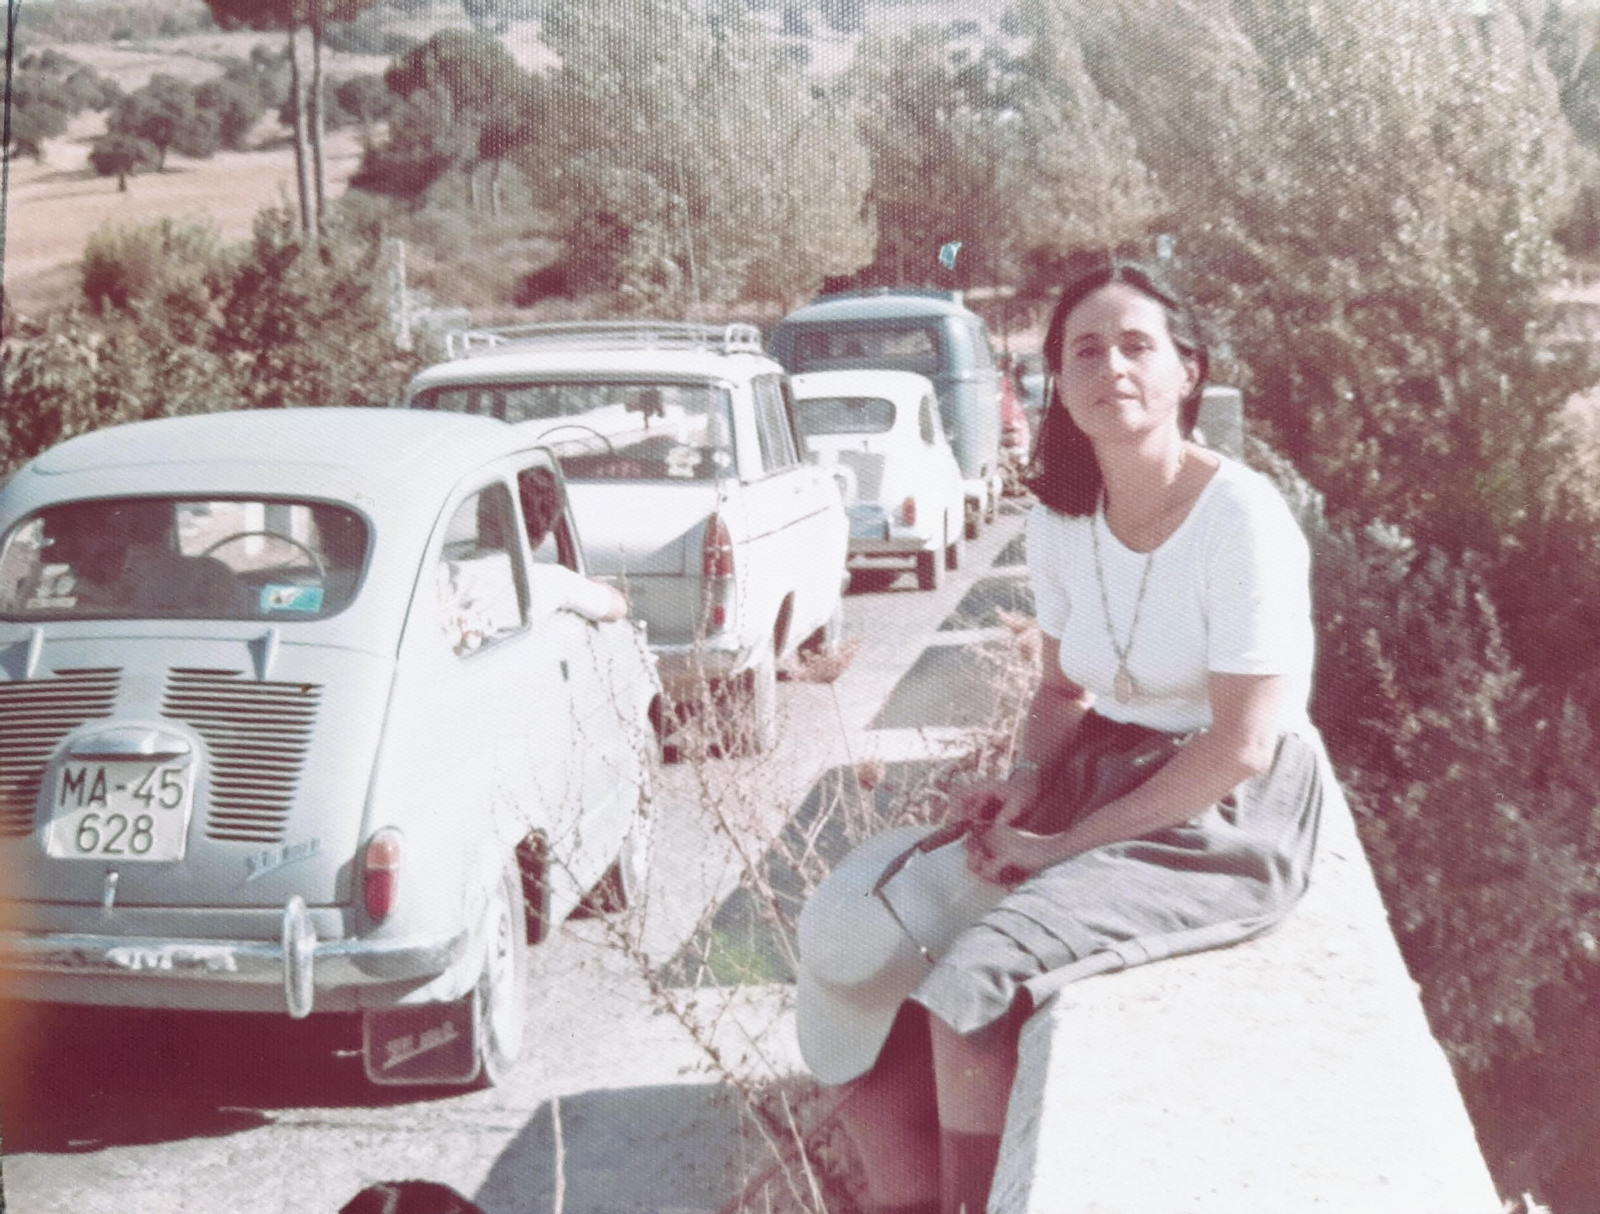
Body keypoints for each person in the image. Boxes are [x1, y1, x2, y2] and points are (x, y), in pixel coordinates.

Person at [828, 258, 1329, 1214]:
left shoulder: (1241, 517)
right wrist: (1021, 784)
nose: (1113, 369)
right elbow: (1062, 688)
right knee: (872, 1013)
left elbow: (1240, 747)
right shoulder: (1062, 520)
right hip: (1099, 771)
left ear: (1189, 369)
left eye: (1138, 345)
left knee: (972, 981)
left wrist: (1060, 849)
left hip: (1215, 813)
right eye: (1085, 351)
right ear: (1058, 380)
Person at [515, 467, 628, 623]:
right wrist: (589, 584)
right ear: (546, 529)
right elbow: (618, 608)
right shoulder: (551, 580)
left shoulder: (469, 571)